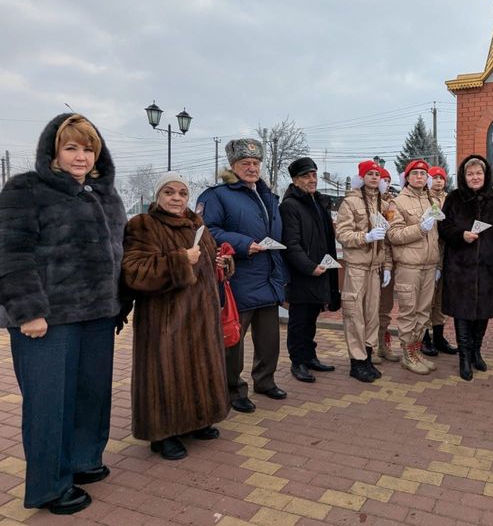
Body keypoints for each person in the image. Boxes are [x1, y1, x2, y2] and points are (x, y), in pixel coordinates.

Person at [0, 114, 126, 514]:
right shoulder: (26, 189)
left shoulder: (106, 195)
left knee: (92, 395)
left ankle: (83, 461)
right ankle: (49, 487)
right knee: (49, 402)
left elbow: (117, 256)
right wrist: (28, 311)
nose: (81, 156)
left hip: (98, 316)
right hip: (47, 320)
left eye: (88, 148)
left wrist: (119, 303)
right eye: (71, 147)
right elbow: (10, 253)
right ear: (53, 151)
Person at [122, 172, 229, 460]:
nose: (176, 198)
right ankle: (163, 433)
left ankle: (198, 418)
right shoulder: (144, 225)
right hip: (165, 319)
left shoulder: (197, 224)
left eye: (182, 193)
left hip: (202, 316)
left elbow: (207, 263)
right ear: (158, 196)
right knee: (165, 373)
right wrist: (181, 261)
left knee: (199, 366)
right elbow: (135, 272)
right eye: (169, 192)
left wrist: (221, 263)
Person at [197, 139, 288, 412]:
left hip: (268, 279)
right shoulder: (217, 195)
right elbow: (206, 230)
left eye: (256, 163)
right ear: (233, 166)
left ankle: (265, 380)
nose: (252, 168)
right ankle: (233, 390)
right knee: (233, 340)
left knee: (269, 340)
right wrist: (242, 244)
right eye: (245, 164)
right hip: (238, 280)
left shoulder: (267, 195)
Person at [439, 155, 493, 381]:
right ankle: (464, 357)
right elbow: (443, 227)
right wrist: (461, 236)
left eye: (478, 173)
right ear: (463, 176)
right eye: (470, 174)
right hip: (460, 267)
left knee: (483, 312)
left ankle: (476, 351)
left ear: (486, 174)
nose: (475, 177)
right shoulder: (453, 198)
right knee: (462, 312)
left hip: (489, 266)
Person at [280, 157, 340, 383]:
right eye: (306, 176)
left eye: (314, 174)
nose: (312, 179)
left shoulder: (317, 202)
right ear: (295, 181)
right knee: (299, 321)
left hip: (321, 270)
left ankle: (310, 356)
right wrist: (309, 267)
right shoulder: (290, 206)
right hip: (303, 274)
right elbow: (291, 244)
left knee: (312, 318)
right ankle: (298, 362)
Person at [336, 160, 390, 383]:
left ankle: (367, 357)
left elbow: (386, 241)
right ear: (362, 177)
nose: (374, 177)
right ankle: (357, 361)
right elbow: (342, 233)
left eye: (377, 174)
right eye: (370, 174)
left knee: (371, 315)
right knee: (354, 314)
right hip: (357, 267)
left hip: (375, 268)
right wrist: (364, 237)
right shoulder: (350, 202)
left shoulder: (383, 203)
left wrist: (386, 266)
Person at [386, 159, 440, 375]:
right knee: (409, 312)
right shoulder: (397, 203)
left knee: (424, 312)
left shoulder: (431, 200)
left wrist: (438, 262)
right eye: (415, 173)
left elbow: (437, 236)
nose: (420, 176)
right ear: (407, 177)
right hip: (409, 265)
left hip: (429, 264)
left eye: (423, 173)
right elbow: (394, 235)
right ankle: (408, 354)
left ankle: (417, 351)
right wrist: (419, 228)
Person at [421, 165, 457, 357]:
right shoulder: (424, 198)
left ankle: (439, 336)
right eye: (434, 177)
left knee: (441, 298)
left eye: (441, 178)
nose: (438, 181)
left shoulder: (448, 198)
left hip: (446, 253)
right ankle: (424, 337)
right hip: (430, 253)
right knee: (428, 298)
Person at [375, 167, 401, 364]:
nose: (383, 183)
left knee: (385, 308)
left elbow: (390, 239)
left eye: (386, 180)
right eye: (380, 179)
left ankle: (383, 345)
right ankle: (370, 347)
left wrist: (388, 266)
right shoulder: (360, 202)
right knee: (367, 309)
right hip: (367, 263)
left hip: (387, 263)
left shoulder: (391, 206)